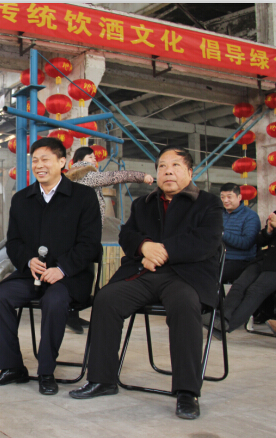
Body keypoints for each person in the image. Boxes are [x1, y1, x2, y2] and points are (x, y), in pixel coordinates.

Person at [69, 146, 224, 420]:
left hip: (184, 277)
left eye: (175, 166)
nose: (168, 171)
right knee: (106, 299)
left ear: (189, 172)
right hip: (143, 273)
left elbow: (206, 241)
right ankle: (102, 380)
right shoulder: (143, 203)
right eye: (162, 166)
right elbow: (126, 234)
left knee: (185, 305)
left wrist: (160, 252)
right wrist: (143, 247)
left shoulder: (208, 203)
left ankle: (187, 392)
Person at [0, 138, 101, 396]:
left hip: (70, 276)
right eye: (35, 160)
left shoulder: (83, 197)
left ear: (62, 162)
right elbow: (14, 241)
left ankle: (46, 372)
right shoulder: (22, 199)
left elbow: (90, 244)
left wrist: (62, 269)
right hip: (31, 275)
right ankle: (12, 367)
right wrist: (27, 260)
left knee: (54, 301)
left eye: (45, 159)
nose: (39, 165)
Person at [64, 146, 154, 334]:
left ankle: (72, 312)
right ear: (80, 160)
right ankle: (70, 311)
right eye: (91, 157)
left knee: (79, 273)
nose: (94, 160)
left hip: (76, 234)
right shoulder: (86, 175)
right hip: (83, 236)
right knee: (83, 275)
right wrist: (141, 176)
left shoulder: (72, 178)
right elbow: (114, 177)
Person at [215, 182, 276, 337]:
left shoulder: (256, 217)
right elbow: (259, 241)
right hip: (262, 261)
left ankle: (226, 327)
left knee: (255, 291)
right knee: (239, 286)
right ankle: (220, 319)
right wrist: (268, 231)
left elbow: (247, 242)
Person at [219, 183, 261, 285]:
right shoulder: (218, 213)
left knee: (210, 274)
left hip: (240, 261)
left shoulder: (250, 216)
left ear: (239, 197)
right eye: (222, 197)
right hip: (218, 258)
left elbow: (247, 243)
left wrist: (222, 234)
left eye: (229, 197)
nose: (225, 200)